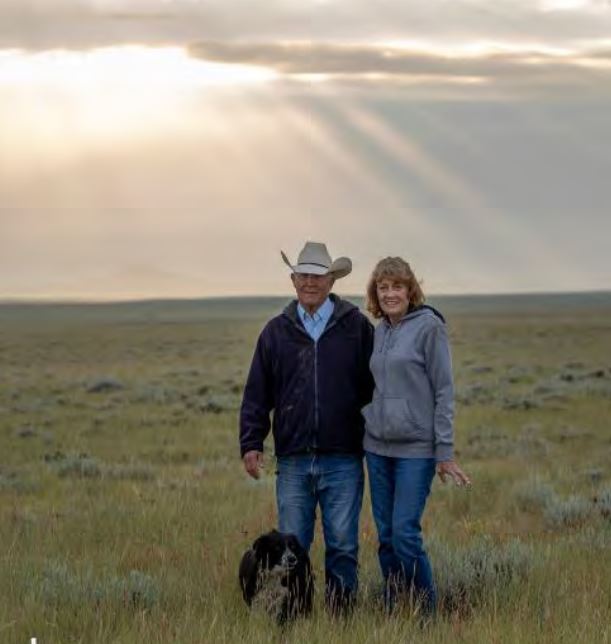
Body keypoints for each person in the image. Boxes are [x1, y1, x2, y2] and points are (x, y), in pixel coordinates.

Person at [240, 241, 374, 615]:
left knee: (344, 545)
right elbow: (257, 392)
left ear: (331, 280)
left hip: (343, 457)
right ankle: (295, 618)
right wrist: (251, 442)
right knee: (291, 549)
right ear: (293, 280)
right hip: (294, 460)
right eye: (303, 276)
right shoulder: (275, 332)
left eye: (318, 276)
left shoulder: (356, 328)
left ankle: (341, 618)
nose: (310, 283)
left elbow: (376, 387)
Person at [362, 256, 470, 616]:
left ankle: (427, 614)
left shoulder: (429, 327)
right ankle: (394, 609)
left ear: (411, 290)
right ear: (375, 292)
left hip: (416, 451)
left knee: (405, 534)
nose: (390, 293)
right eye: (383, 287)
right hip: (377, 448)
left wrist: (445, 452)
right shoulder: (379, 330)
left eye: (397, 286)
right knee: (387, 539)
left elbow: (444, 391)